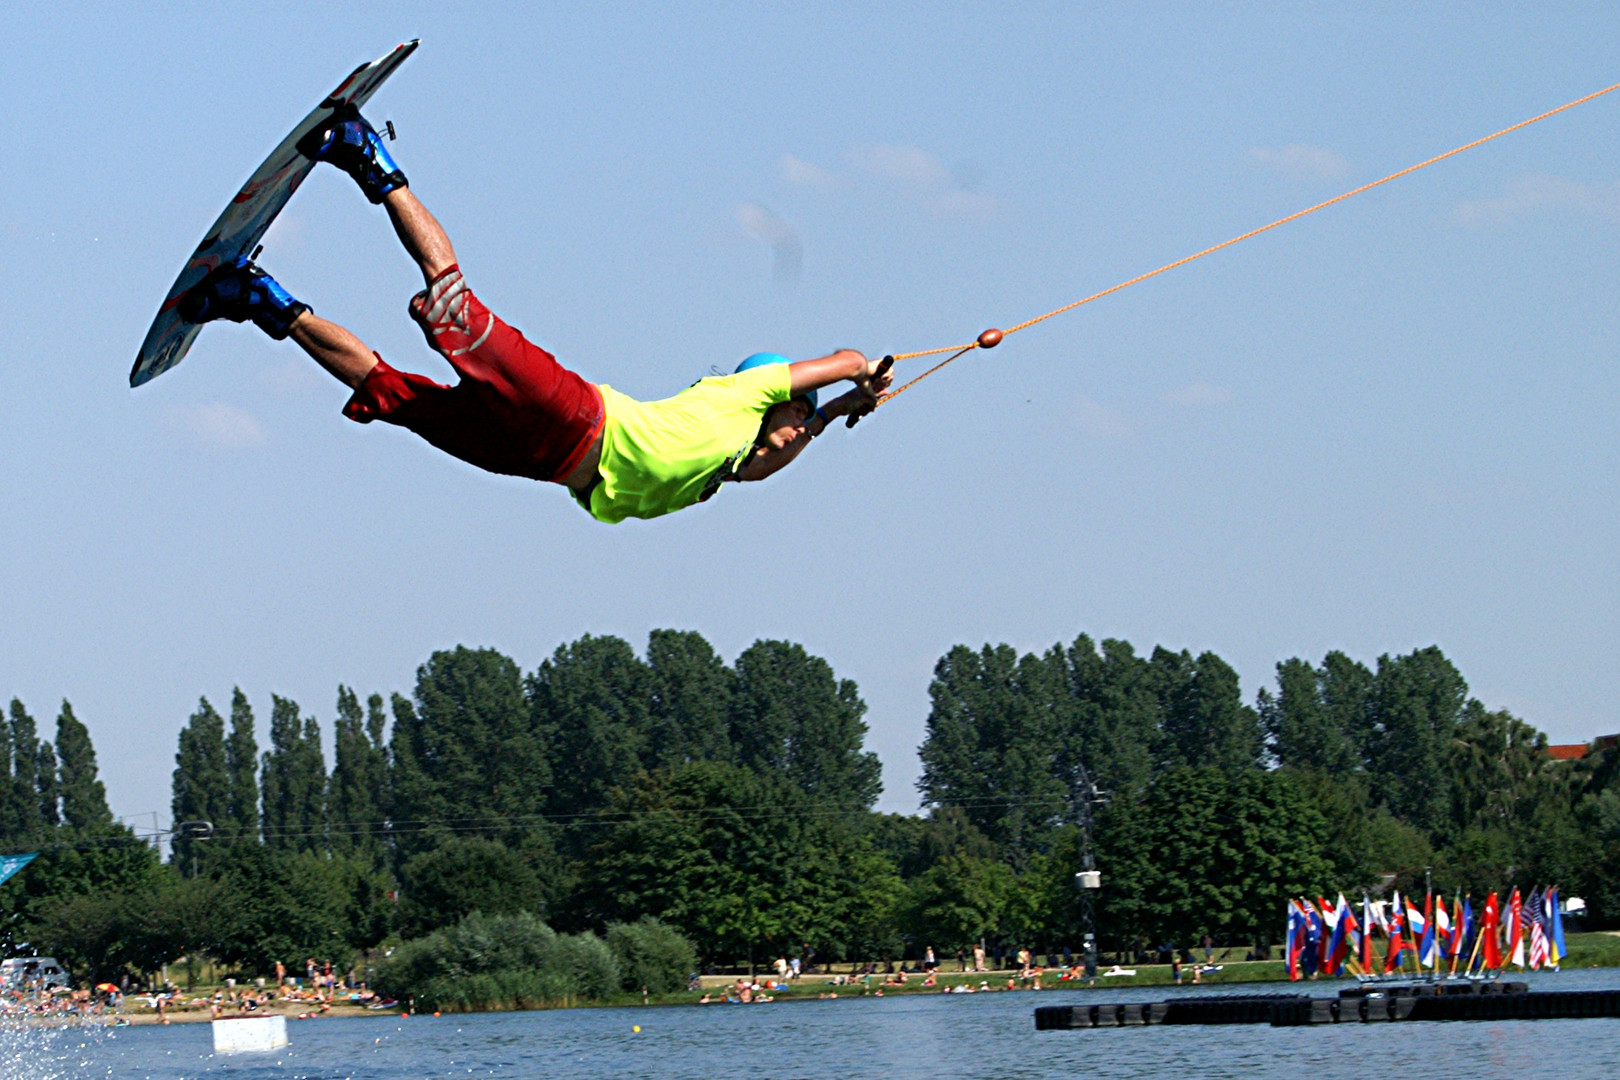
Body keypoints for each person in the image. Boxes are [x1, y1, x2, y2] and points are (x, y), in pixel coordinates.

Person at [178, 107, 894, 524]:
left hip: (542, 463)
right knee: (451, 302)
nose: (802, 423)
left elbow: (771, 464)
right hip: (575, 415)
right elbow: (849, 358)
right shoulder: (740, 397)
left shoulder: (729, 466)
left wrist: (837, 414)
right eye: (800, 408)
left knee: (397, 401)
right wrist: (858, 378)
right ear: (776, 395)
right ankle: (369, 158)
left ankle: (256, 297)